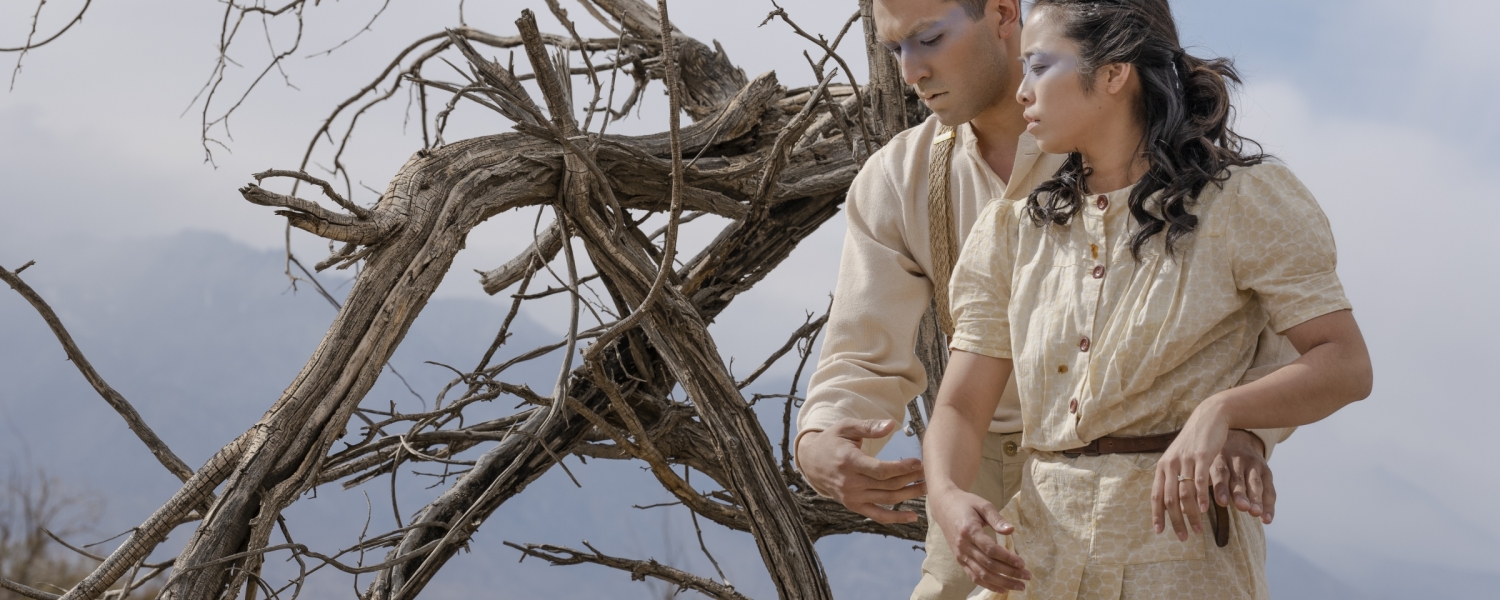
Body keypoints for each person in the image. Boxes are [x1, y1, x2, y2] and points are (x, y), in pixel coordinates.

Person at [794, 1, 1292, 598]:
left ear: (1003, 12)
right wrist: (820, 441)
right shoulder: (898, 178)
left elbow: (1277, 320)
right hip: (971, 483)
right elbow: (863, 350)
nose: (909, 71)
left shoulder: (1120, 135)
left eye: (928, 39)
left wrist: (1245, 429)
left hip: (1149, 482)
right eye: (894, 48)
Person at [923, 0, 1375, 597]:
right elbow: (959, 407)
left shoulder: (1244, 202)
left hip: (1181, 561)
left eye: (1039, 66)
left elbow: (1344, 363)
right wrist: (949, 497)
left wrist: (1223, 412)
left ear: (1113, 72)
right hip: (1038, 559)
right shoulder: (1012, 231)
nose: (1022, 92)